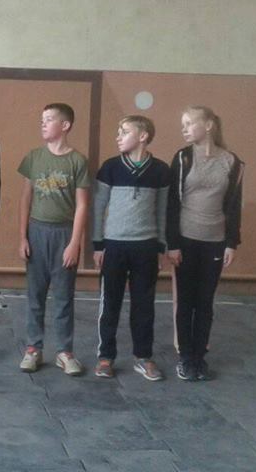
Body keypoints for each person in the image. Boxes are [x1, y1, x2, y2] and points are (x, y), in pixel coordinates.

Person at [167, 106, 244, 382]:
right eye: (183, 124)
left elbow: (234, 205)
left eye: (190, 123)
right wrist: (172, 243)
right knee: (185, 301)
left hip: (215, 241)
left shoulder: (232, 162)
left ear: (209, 125)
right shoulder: (183, 157)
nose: (184, 128)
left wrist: (231, 242)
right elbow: (172, 203)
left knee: (205, 302)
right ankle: (185, 357)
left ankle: (200, 357)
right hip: (186, 240)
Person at [92, 115, 170, 381]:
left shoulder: (160, 170)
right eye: (118, 131)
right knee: (109, 303)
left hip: (146, 248)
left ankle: (143, 357)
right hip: (114, 246)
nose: (118, 136)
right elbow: (98, 208)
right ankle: (105, 357)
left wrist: (161, 247)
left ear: (143, 136)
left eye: (124, 131)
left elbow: (162, 212)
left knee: (144, 305)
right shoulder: (110, 167)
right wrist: (98, 244)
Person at [17, 103, 90, 376]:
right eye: (42, 119)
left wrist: (74, 243)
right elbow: (26, 199)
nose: (43, 124)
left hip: (64, 235)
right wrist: (23, 237)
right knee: (35, 296)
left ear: (65, 125)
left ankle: (64, 351)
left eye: (49, 119)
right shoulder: (34, 158)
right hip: (37, 232)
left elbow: (82, 205)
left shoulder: (77, 161)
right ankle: (33, 349)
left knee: (63, 297)